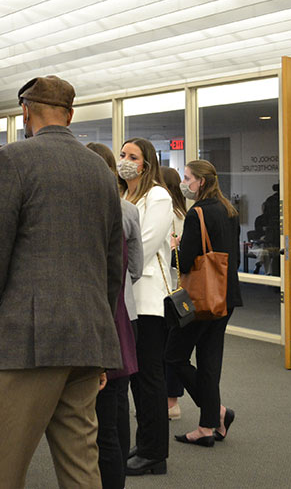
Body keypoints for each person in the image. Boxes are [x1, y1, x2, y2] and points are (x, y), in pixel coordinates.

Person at [0, 75, 123, 488]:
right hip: (86, 339)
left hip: (26, 343)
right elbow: (114, 264)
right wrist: (101, 336)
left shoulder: (13, 159)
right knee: (81, 469)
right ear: (70, 115)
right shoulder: (100, 170)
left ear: (24, 111)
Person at [166, 159, 241, 448]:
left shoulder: (197, 213)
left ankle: (216, 413)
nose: (185, 184)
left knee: (173, 355)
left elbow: (186, 262)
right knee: (210, 361)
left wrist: (176, 246)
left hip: (201, 299)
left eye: (188, 179)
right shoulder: (228, 209)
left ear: (202, 182)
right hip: (226, 295)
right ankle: (209, 423)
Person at [87, 142, 143, 489]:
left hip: (103, 320)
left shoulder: (86, 214)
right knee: (117, 405)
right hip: (124, 314)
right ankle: (117, 473)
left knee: (99, 416)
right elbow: (134, 268)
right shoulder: (126, 211)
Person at [118, 138, 171, 476]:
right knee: (137, 377)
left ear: (146, 163)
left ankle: (155, 454)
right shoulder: (125, 196)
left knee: (150, 376)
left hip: (149, 299)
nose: (124, 160)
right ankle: (147, 440)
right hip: (129, 300)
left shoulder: (158, 197)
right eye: (122, 155)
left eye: (132, 156)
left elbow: (145, 244)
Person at [159, 165, 187, 421]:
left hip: (166, 289)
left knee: (165, 350)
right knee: (172, 348)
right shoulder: (183, 212)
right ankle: (171, 400)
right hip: (178, 290)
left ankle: (169, 402)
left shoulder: (167, 213)